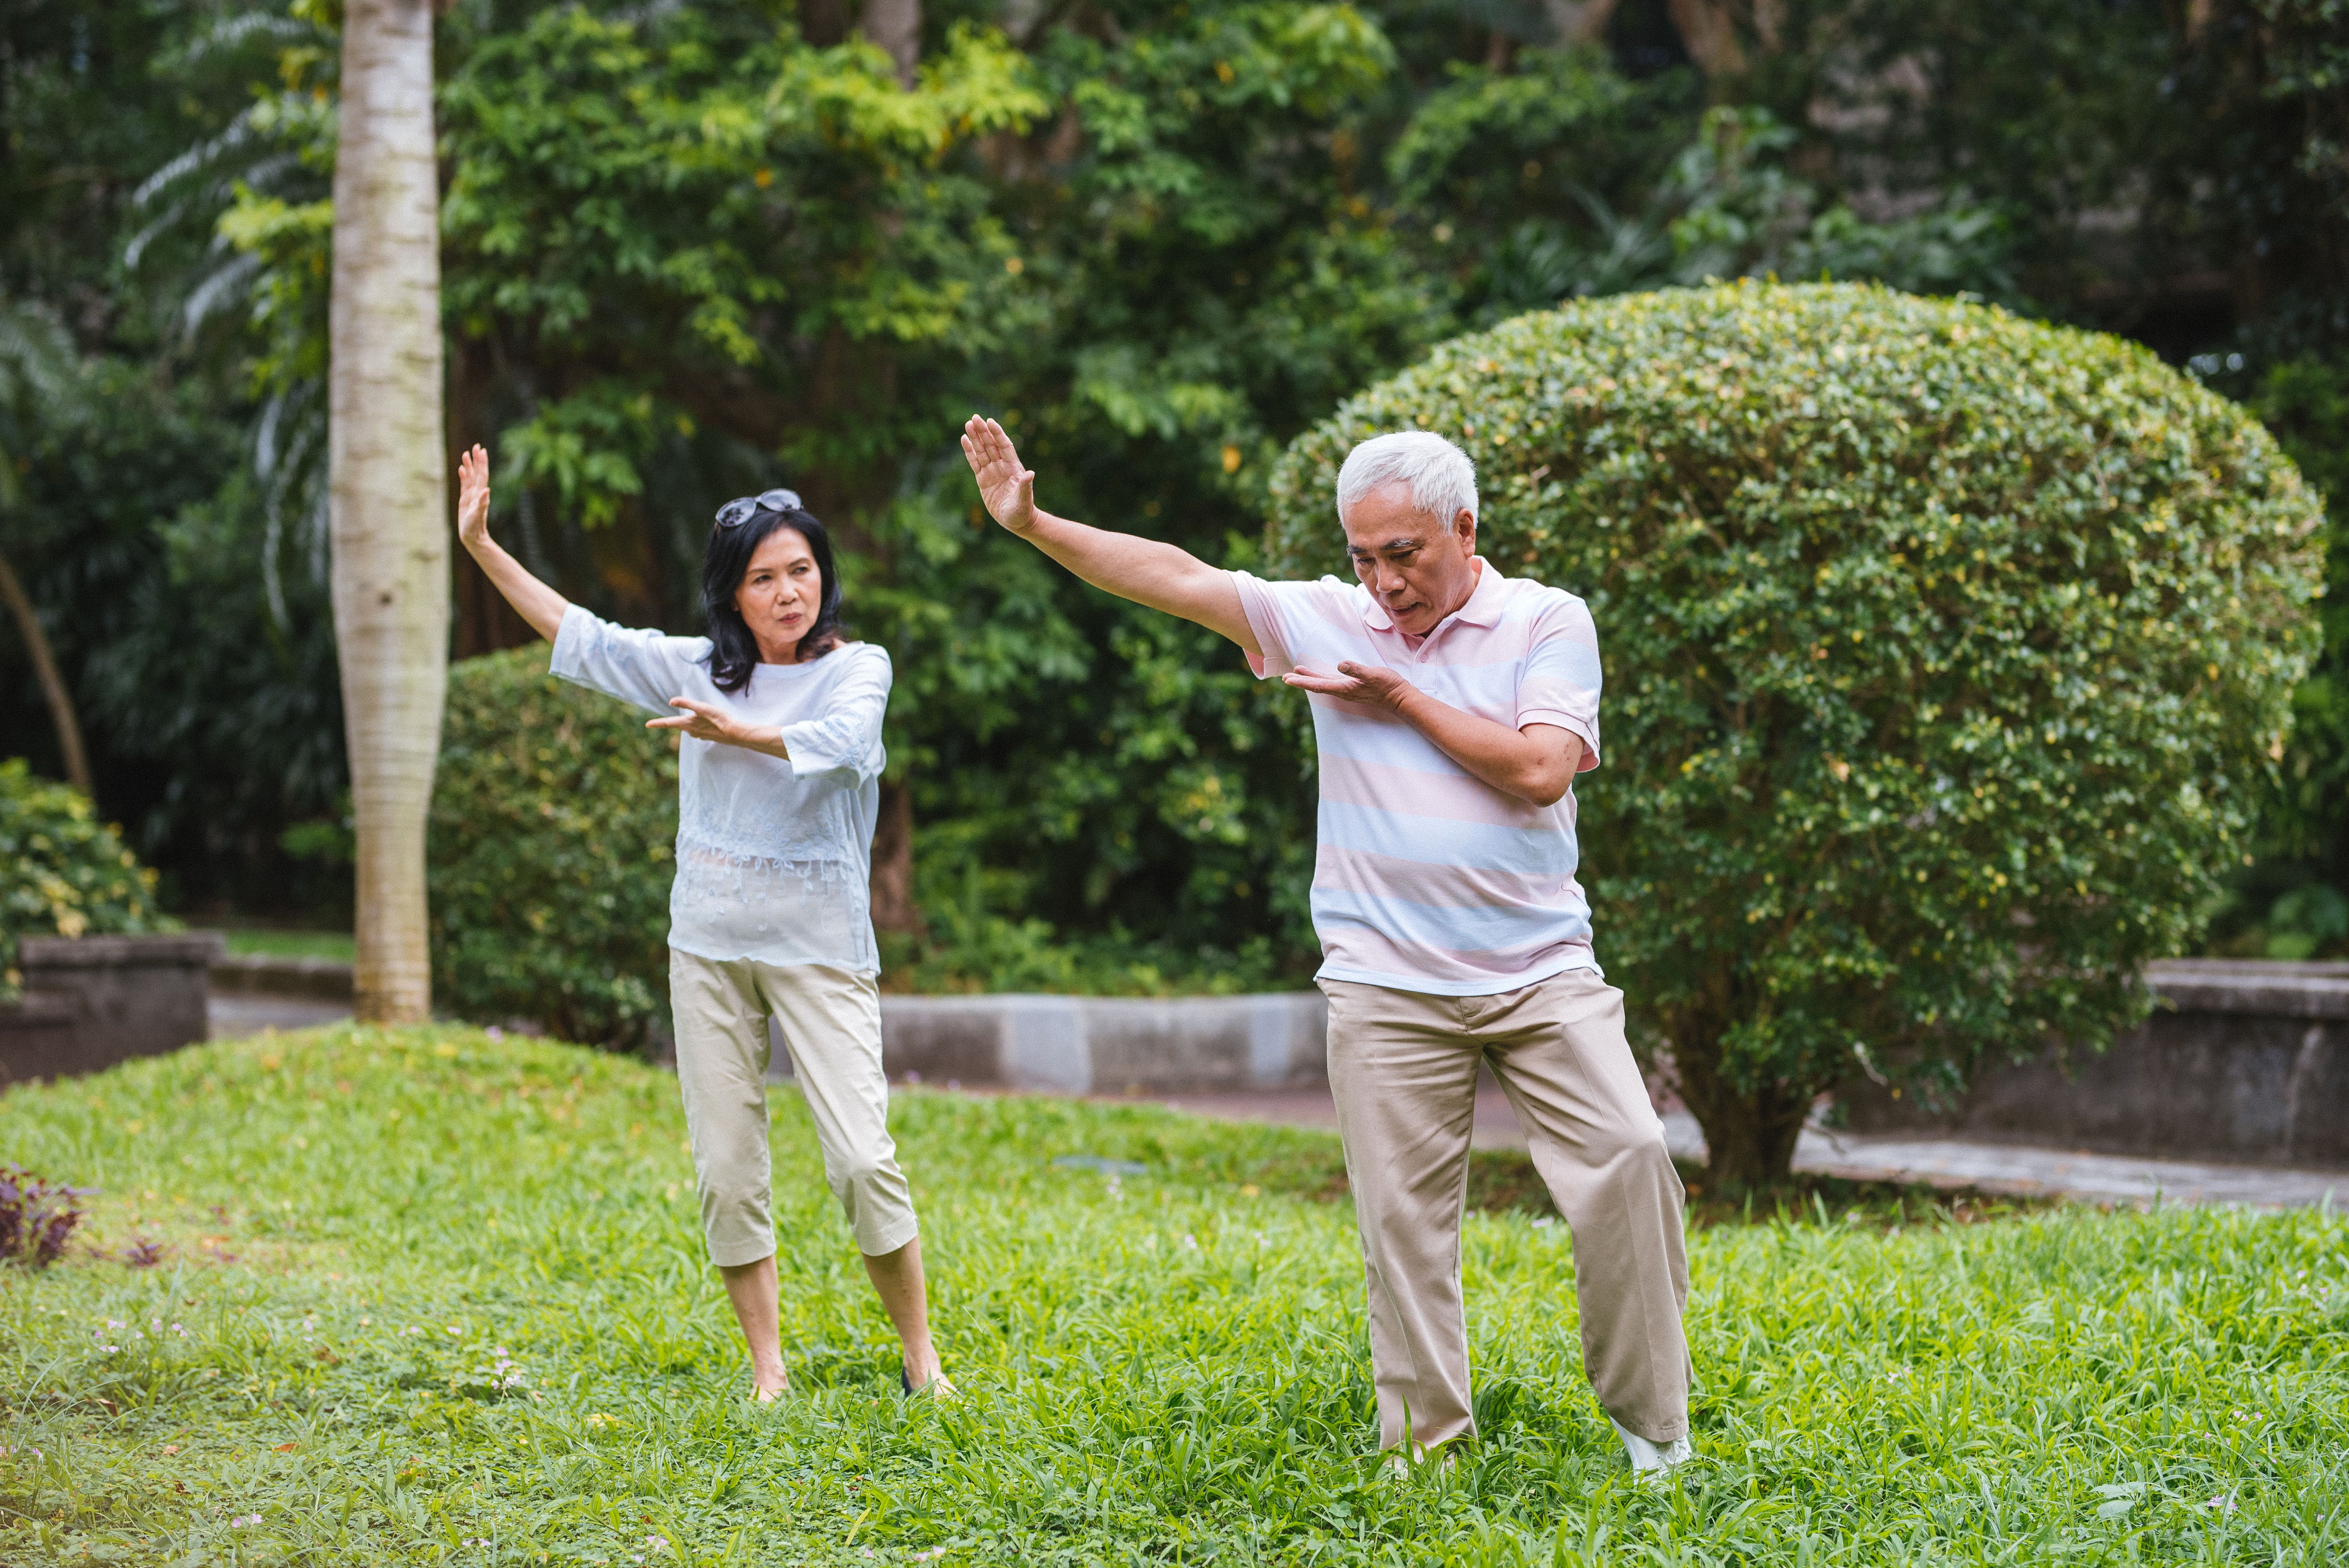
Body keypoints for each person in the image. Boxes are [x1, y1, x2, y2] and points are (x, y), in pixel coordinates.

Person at [958, 418, 1690, 1470]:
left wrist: (1401, 697)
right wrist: (1033, 525)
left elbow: (1541, 771)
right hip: (1386, 984)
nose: (1386, 584)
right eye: (1365, 558)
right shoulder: (1328, 619)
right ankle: (1428, 1452)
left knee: (1630, 1159)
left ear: (1465, 528)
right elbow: (1175, 575)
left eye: (1407, 555)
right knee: (1403, 1228)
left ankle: (1654, 1436)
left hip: (1541, 975)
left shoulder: (1546, 621)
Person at [454, 445, 949, 1401]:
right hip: (709, 951)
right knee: (727, 1170)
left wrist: (739, 733)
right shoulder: (697, 671)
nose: (788, 591)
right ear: (732, 594)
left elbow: (844, 747)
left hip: (821, 950)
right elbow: (583, 636)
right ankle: (769, 1370)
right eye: (764, 578)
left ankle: (920, 1354)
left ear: (822, 578)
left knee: (860, 1158)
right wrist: (480, 545)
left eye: (801, 570)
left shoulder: (859, 669)